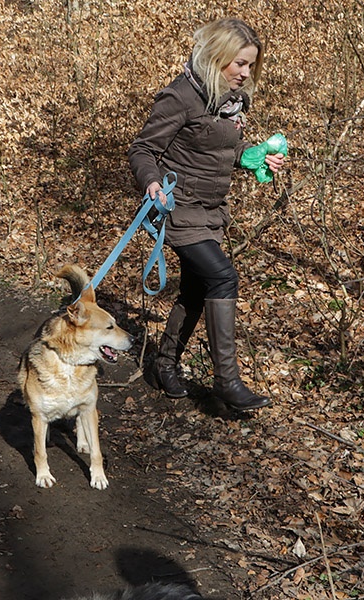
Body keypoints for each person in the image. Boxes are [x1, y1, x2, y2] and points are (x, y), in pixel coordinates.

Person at [128, 18, 284, 412]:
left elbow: (222, 149)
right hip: (177, 208)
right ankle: (226, 382)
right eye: (240, 64)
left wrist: (254, 156)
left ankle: (164, 365)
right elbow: (143, 148)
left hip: (212, 210)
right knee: (222, 277)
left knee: (197, 289)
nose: (246, 73)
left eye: (251, 65)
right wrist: (151, 183)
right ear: (217, 58)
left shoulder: (232, 101)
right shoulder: (181, 95)